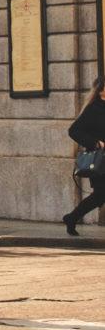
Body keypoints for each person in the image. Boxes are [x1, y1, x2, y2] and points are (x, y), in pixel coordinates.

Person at [64, 77, 105, 234]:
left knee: (100, 196)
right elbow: (73, 131)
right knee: (100, 195)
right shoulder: (93, 108)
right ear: (102, 90)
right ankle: (72, 217)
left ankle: (71, 218)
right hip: (100, 160)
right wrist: (96, 143)